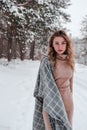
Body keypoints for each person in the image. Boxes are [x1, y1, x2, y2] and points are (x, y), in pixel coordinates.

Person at [33, 30, 75, 130]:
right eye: (56, 43)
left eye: (63, 43)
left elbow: (70, 84)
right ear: (52, 45)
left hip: (68, 104)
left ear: (67, 45)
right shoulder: (47, 62)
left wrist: (68, 100)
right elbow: (45, 88)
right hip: (50, 105)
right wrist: (50, 104)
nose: (60, 47)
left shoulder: (70, 61)